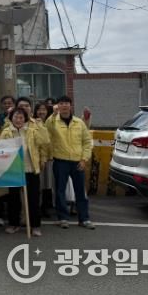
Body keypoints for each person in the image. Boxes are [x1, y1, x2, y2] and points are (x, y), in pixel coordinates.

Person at [45, 95, 95, 230]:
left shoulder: (79, 123)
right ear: (58, 106)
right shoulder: (53, 121)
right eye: (61, 103)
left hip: (78, 162)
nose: (64, 106)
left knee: (80, 191)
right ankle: (63, 218)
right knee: (60, 191)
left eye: (66, 103)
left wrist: (84, 159)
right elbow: (47, 127)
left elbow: (87, 142)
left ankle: (84, 218)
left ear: (70, 106)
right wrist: (53, 114)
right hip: (60, 161)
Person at [1, 107, 49, 237]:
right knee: (13, 199)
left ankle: (35, 225)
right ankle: (13, 223)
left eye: (21, 117)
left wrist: (40, 125)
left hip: (30, 169)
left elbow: (44, 141)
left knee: (33, 199)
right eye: (16, 117)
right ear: (11, 118)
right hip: (14, 170)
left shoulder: (32, 130)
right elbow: (1, 149)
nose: (18, 120)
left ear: (25, 119)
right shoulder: (6, 132)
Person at [34, 102, 54, 218]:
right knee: (38, 185)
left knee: (48, 185)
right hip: (38, 157)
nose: (41, 112)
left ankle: (46, 207)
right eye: (39, 109)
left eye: (44, 109)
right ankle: (37, 207)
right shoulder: (33, 123)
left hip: (50, 157)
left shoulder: (51, 122)